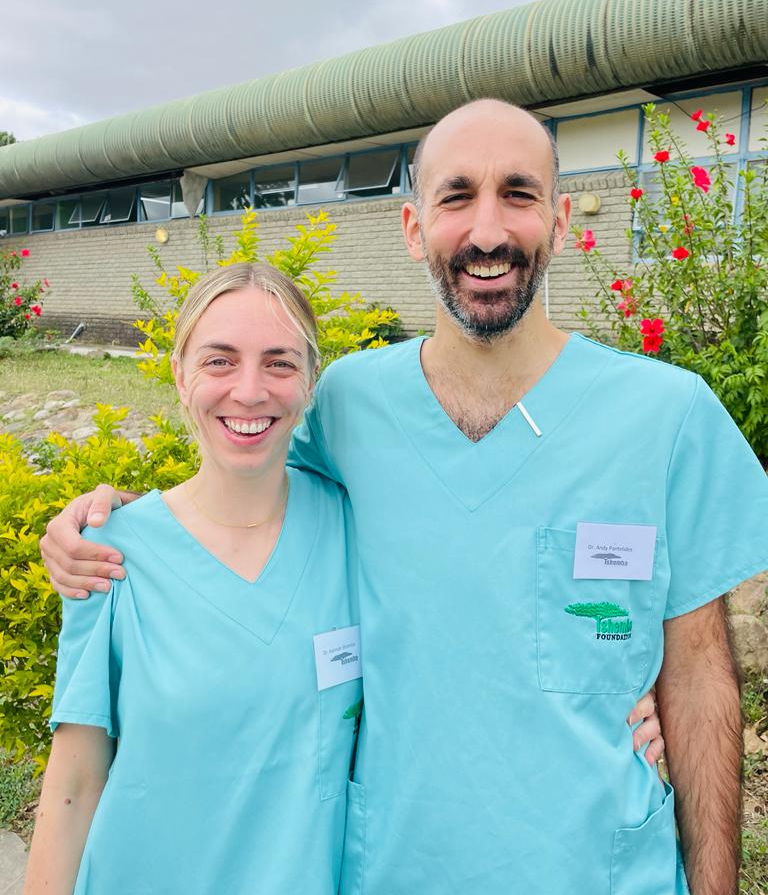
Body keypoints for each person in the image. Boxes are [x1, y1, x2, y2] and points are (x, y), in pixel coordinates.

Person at [40, 99, 734, 893]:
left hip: (599, 869)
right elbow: (243, 485)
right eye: (455, 196)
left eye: (517, 192)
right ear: (412, 226)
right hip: (403, 867)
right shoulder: (352, 405)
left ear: (562, 219)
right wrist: (117, 519)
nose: (486, 231)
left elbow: (701, 676)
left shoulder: (667, 416)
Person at [25, 264, 362, 894]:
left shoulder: (353, 529)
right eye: (219, 361)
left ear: (310, 381)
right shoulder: (109, 554)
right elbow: (73, 784)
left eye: (280, 363)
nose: (250, 391)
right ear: (181, 376)